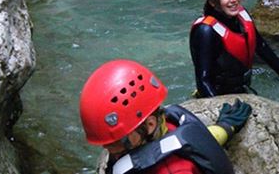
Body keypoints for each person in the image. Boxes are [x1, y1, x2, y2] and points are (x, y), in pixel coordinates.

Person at [79, 59, 252, 174]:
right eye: (106, 144)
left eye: (116, 142)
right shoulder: (165, 123)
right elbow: (188, 141)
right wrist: (225, 127)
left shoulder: (174, 170)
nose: (110, 149)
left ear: (150, 124)